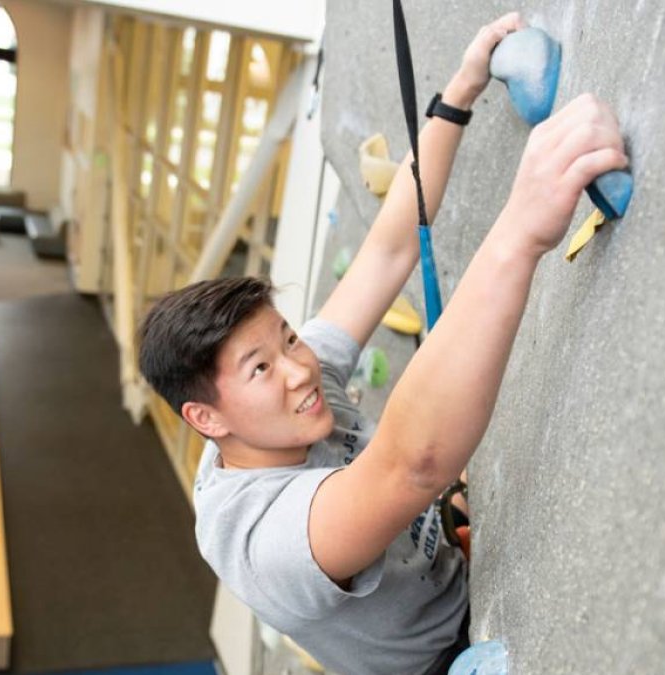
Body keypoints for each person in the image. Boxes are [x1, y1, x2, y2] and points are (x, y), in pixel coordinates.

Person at [137, 12, 629, 674]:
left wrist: (457, 94)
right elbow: (412, 463)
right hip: (432, 659)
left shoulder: (284, 391)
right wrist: (522, 229)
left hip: (437, 557)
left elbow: (388, 251)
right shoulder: (268, 540)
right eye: (261, 367)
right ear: (207, 418)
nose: (300, 369)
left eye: (286, 338)